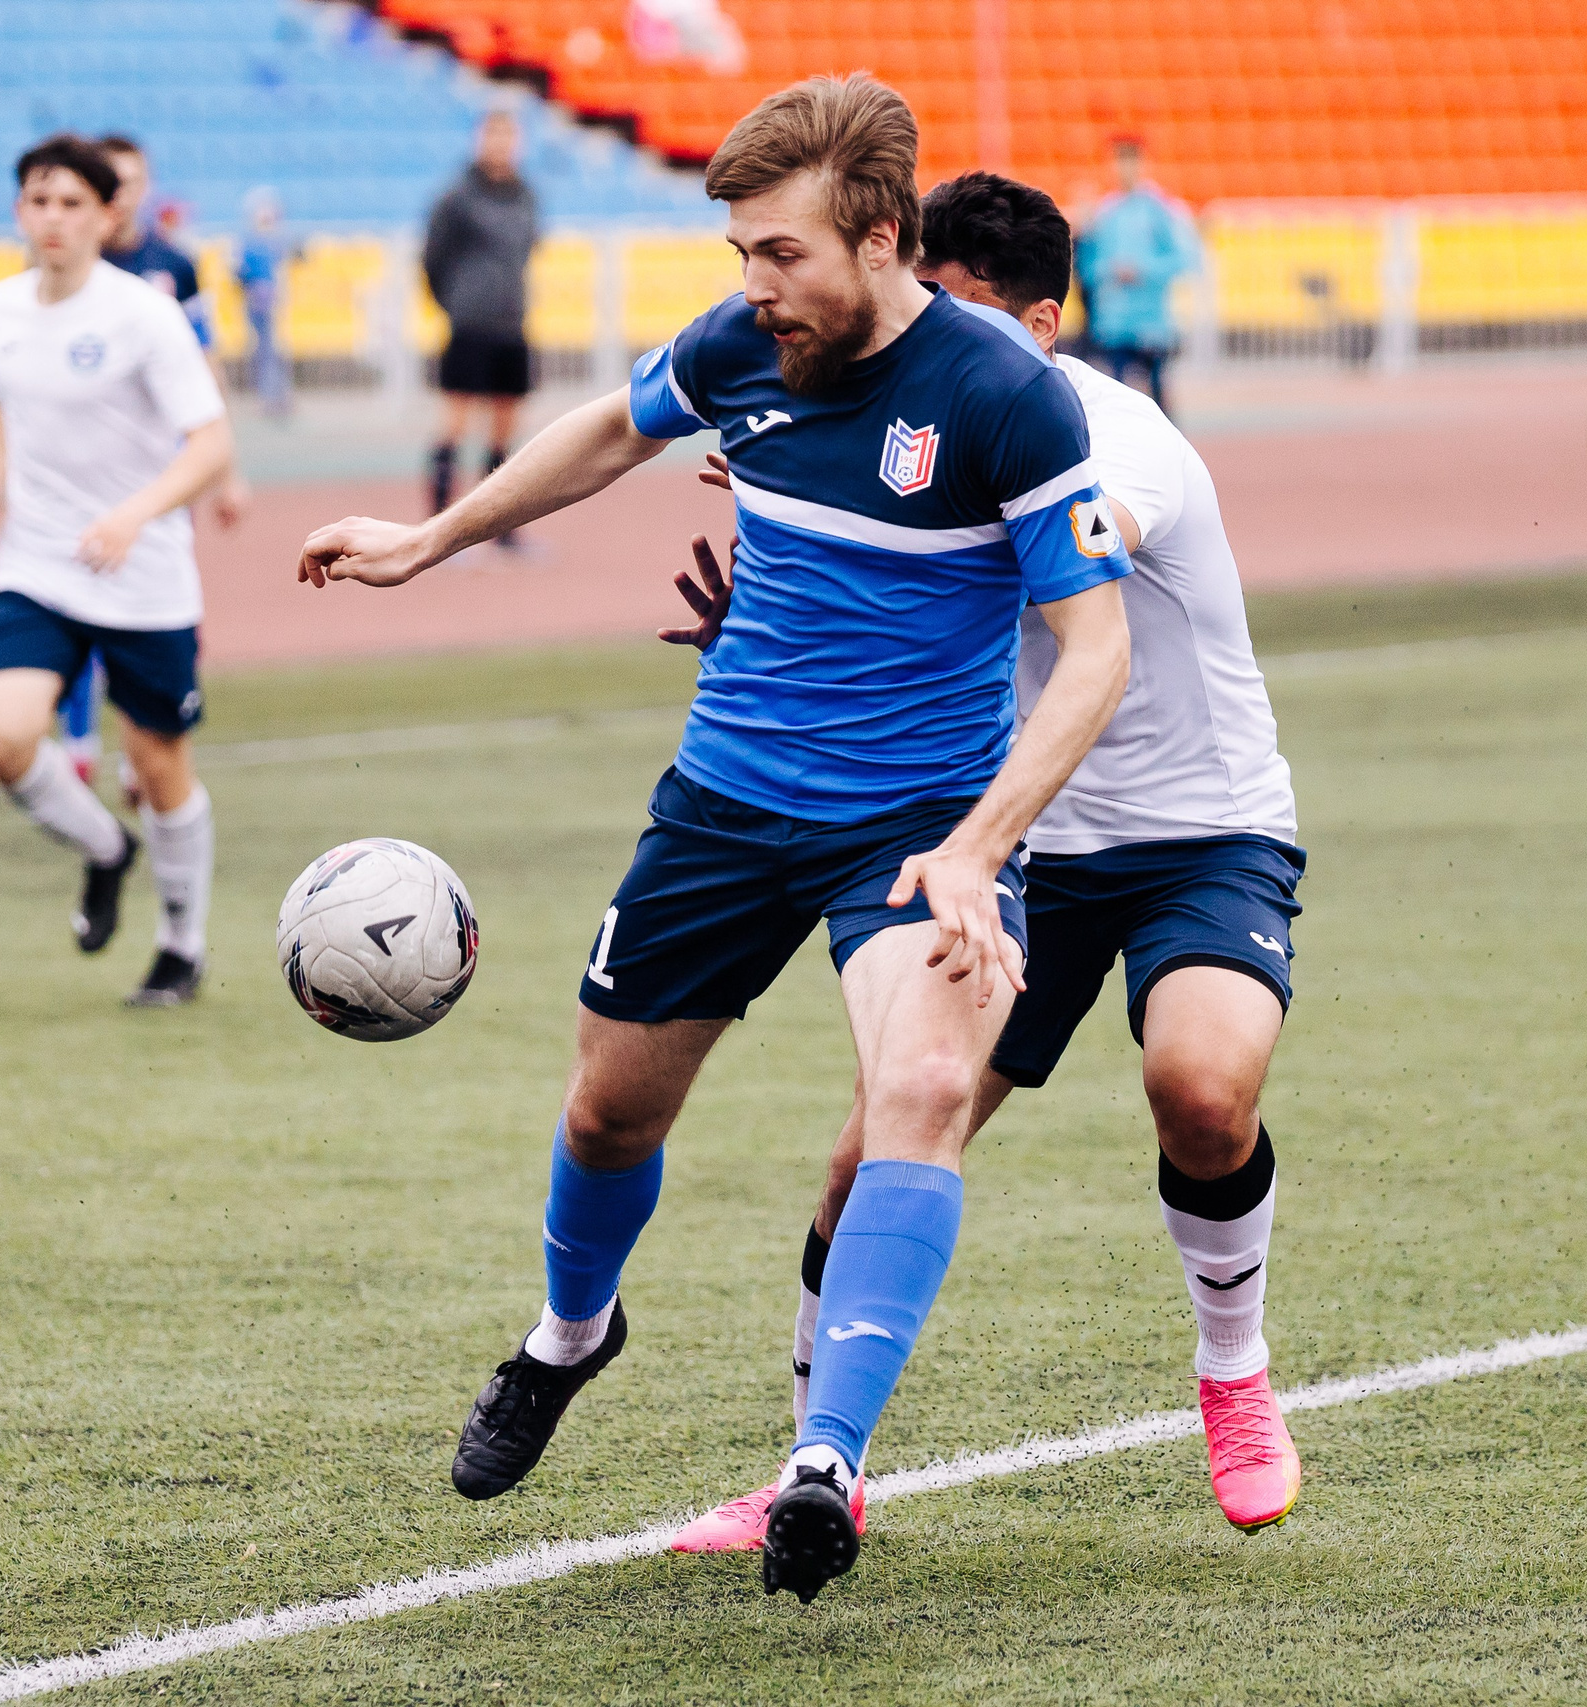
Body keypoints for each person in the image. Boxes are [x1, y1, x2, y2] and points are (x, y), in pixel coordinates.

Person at [296, 76, 1134, 1604]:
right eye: (743, 253)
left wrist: (980, 842)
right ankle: (569, 1334)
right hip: (727, 802)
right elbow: (610, 431)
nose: (755, 285)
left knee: (929, 1082)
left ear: (882, 239)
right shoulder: (742, 346)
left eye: (782, 254)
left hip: (912, 829)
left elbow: (1095, 654)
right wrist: (429, 539)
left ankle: (825, 1458)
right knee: (610, 1115)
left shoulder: (1008, 395)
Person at [662, 170, 1305, 1555]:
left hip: (1199, 832)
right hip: (1002, 841)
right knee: (871, 1144)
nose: (928, 349)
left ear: (1046, 325)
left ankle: (1234, 1371)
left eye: (962, 317)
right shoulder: (888, 410)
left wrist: (832, 515)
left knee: (1199, 1086)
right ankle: (811, 1468)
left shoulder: (1115, 440)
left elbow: (1035, 575)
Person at [0, 135, 235, 1008]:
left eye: (72, 203)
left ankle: (180, 948)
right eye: (38, 200)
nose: (52, 218)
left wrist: (134, 513)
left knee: (160, 768)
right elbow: (6, 405)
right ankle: (107, 850)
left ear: (106, 215)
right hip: (38, 562)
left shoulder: (144, 314)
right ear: (17, 212)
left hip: (142, 572)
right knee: (1, 731)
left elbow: (213, 442)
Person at [56, 135, 252, 790]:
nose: (123, 193)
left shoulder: (174, 265)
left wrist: (225, 470)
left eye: (134, 180)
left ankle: (141, 748)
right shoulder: (65, 272)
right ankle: (77, 743)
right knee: (75, 600)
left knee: (157, 606)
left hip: (165, 474)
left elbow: (205, 362)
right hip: (80, 472)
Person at [422, 111, 540, 525]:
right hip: (469, 328)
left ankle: (500, 528)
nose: (501, 144)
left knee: (505, 434)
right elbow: (431, 260)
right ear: (479, 140)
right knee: (454, 427)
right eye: (494, 135)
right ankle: (438, 524)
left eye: (509, 135)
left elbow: (527, 249)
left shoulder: (527, 195)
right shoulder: (457, 198)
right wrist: (458, 305)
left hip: (513, 326)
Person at [1076, 135, 1197, 418]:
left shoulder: (1159, 210)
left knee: (1157, 396)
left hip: (1151, 320)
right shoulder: (1104, 212)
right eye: (1118, 161)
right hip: (1115, 320)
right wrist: (1109, 271)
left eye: (1130, 161)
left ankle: (1168, 451)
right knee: (1116, 396)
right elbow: (1088, 267)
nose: (1123, 168)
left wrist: (1142, 270)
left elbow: (1180, 260)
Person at [235, 188, 295, 419]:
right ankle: (269, 396)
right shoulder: (251, 242)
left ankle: (277, 394)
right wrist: (253, 288)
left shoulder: (270, 241)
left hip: (271, 302)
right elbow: (239, 272)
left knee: (273, 349)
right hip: (258, 303)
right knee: (266, 349)